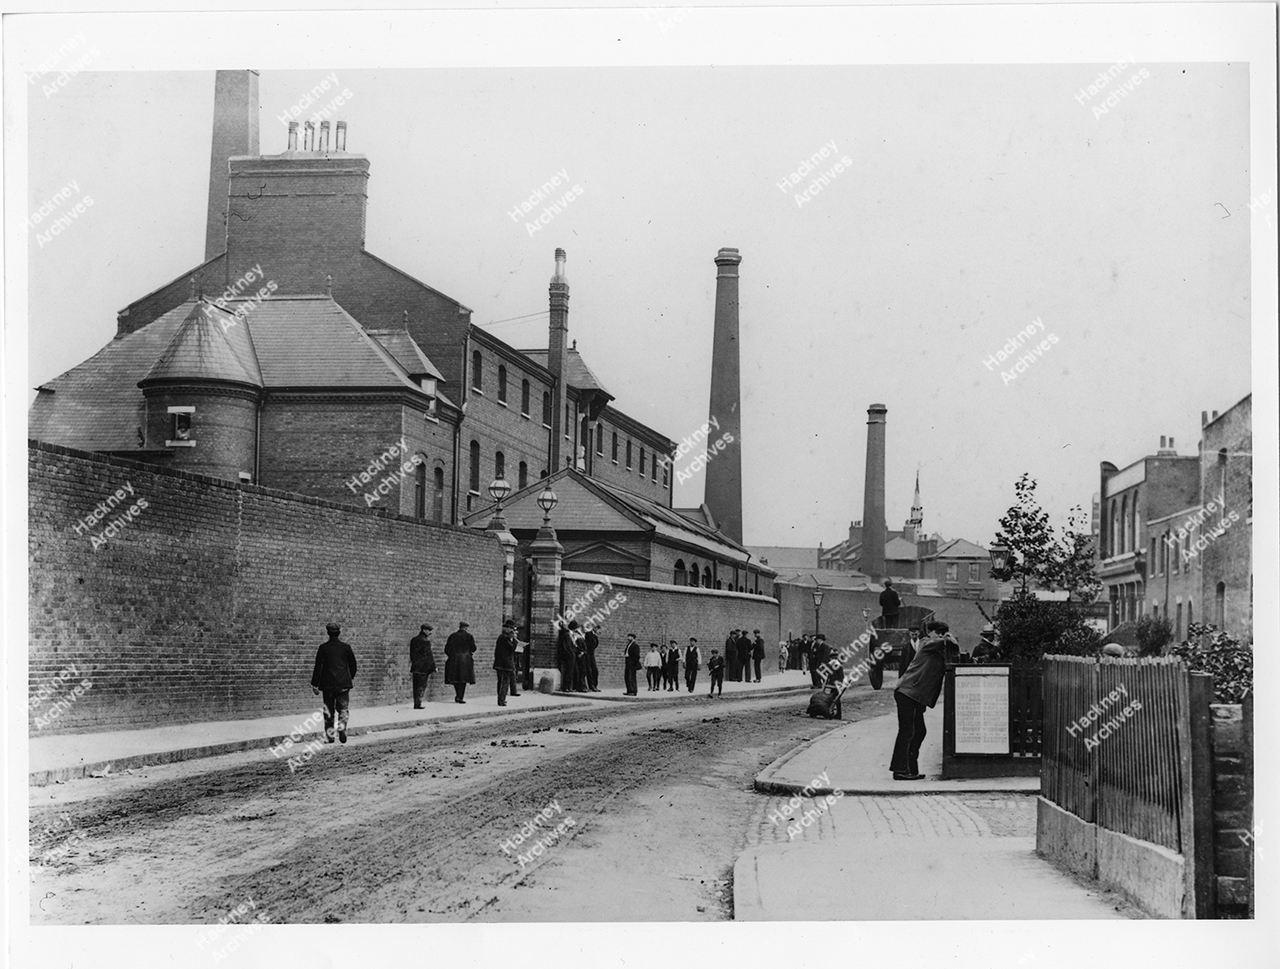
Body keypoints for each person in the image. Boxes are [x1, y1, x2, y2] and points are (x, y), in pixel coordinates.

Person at [889, 620, 959, 780]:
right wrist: (948, 636)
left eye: (942, 633)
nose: (939, 635)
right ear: (932, 633)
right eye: (938, 633)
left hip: (915, 695)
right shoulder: (926, 643)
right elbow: (947, 642)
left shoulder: (937, 647)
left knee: (919, 731)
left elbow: (952, 650)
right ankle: (899, 770)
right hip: (907, 692)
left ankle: (911, 769)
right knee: (907, 731)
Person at [311, 622, 357, 743]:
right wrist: (348, 678)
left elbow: (318, 667)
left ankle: (330, 735)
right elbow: (353, 665)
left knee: (328, 711)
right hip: (343, 684)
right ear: (339, 632)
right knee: (343, 708)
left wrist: (315, 683)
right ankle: (342, 727)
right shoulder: (346, 647)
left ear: (328, 633)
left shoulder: (323, 648)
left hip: (328, 684)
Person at [444, 620, 477, 704]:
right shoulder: (469, 636)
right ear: (465, 628)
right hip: (466, 660)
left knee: (456, 678)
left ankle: (458, 695)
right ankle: (460, 696)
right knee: (463, 679)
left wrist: (452, 656)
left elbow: (447, 649)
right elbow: (473, 648)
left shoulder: (452, 636)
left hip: (454, 660)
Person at [409, 623, 436, 709]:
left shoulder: (414, 640)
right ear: (424, 630)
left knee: (416, 685)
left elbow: (412, 654)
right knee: (422, 685)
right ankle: (418, 703)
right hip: (424, 667)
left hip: (416, 666)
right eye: (429, 630)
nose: (430, 632)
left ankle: (416, 703)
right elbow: (429, 655)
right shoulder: (426, 641)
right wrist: (433, 666)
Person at [494, 619, 518, 706]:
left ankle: (500, 698)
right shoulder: (505, 638)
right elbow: (512, 648)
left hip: (499, 664)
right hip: (505, 664)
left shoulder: (502, 637)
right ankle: (501, 700)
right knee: (504, 682)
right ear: (507, 628)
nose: (512, 631)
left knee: (500, 682)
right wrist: (514, 639)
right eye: (511, 628)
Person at [556, 621, 576, 693]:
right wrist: (571, 653)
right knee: (568, 671)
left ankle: (568, 686)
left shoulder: (570, 634)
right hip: (570, 655)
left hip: (572, 655)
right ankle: (566, 687)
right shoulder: (568, 635)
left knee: (570, 671)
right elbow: (567, 646)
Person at [570, 621, 589, 692]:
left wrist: (583, 652)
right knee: (579, 671)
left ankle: (582, 686)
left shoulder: (582, 635)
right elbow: (575, 645)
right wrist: (579, 652)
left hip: (583, 655)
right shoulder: (576, 635)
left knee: (583, 671)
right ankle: (579, 686)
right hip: (579, 655)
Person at [583, 623, 601, 692]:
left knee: (595, 670)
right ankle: (591, 686)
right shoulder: (588, 634)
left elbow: (595, 645)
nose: (598, 631)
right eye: (597, 629)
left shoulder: (595, 636)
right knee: (589, 671)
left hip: (592, 654)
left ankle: (595, 685)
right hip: (588, 654)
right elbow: (588, 644)